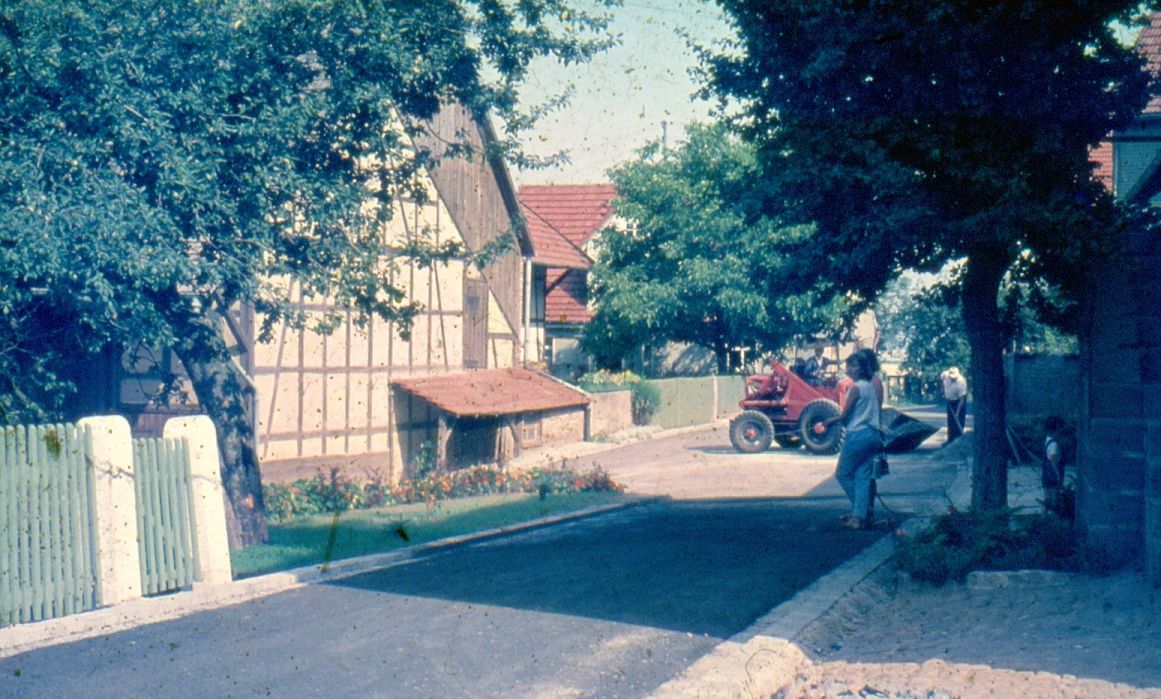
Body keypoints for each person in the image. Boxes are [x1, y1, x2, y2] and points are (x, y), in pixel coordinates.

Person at [825, 350, 883, 530]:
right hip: (873, 434)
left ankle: (861, 511)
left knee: (843, 474)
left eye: (854, 366)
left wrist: (829, 421)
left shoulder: (855, 388)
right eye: (848, 365)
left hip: (858, 434)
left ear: (863, 368)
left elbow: (844, 415)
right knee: (862, 476)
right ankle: (859, 517)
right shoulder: (871, 385)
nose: (849, 369)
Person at [1042, 415, 1075, 518]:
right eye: (1060, 430)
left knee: (1047, 499)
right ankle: (1054, 519)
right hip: (1053, 476)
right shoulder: (1054, 445)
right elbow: (1053, 458)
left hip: (1046, 475)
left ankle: (1043, 517)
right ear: (1055, 430)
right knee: (1055, 500)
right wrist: (1058, 474)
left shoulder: (1047, 440)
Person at [940, 367, 968, 444]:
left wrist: (957, 413)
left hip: (958, 402)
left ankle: (959, 441)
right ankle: (950, 441)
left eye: (954, 378)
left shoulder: (961, 383)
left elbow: (962, 400)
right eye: (951, 377)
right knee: (950, 421)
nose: (952, 378)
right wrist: (942, 388)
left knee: (958, 420)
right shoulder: (945, 375)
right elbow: (941, 379)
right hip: (949, 401)